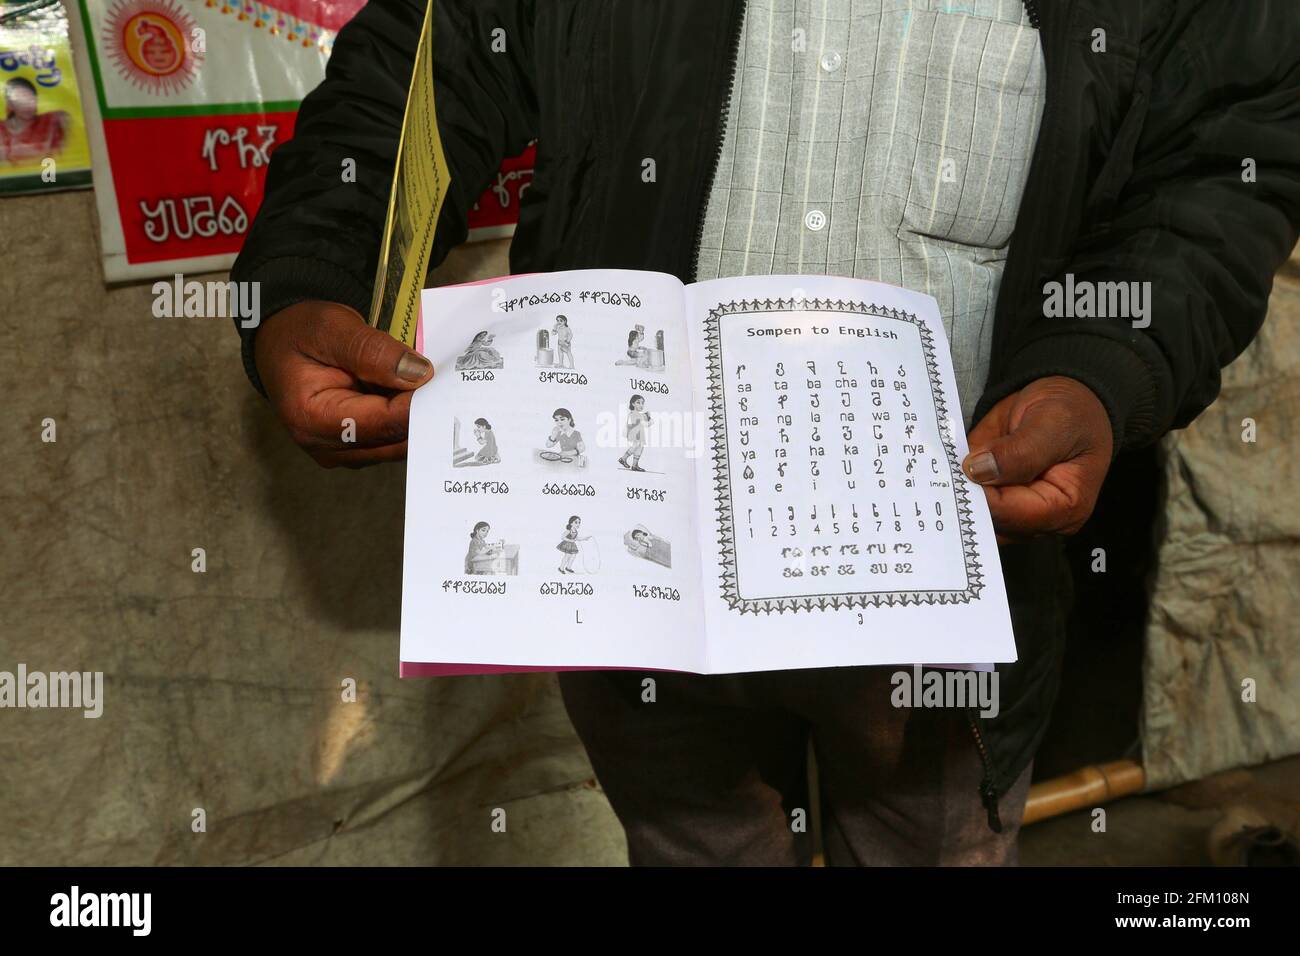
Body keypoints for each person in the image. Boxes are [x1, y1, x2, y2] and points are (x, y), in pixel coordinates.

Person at [232, 0, 1300, 865]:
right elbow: (426, 66)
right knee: (694, 842)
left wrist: (1099, 369)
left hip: (944, 584)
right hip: (631, 572)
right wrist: (321, 270)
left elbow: (1216, 163)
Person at [0, 77, 69, 165]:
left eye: (31, 99)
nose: (27, 107)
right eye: (20, 102)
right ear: (10, 105)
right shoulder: (2, 131)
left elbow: (65, 155)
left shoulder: (53, 120)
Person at [618, 394, 650, 472]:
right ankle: (623, 458)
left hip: (639, 433)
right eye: (638, 402)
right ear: (633, 404)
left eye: (642, 403)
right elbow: (643, 424)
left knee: (640, 447)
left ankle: (634, 465)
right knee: (636, 447)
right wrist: (647, 419)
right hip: (636, 434)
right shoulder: (634, 414)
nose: (641, 405)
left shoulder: (638, 414)